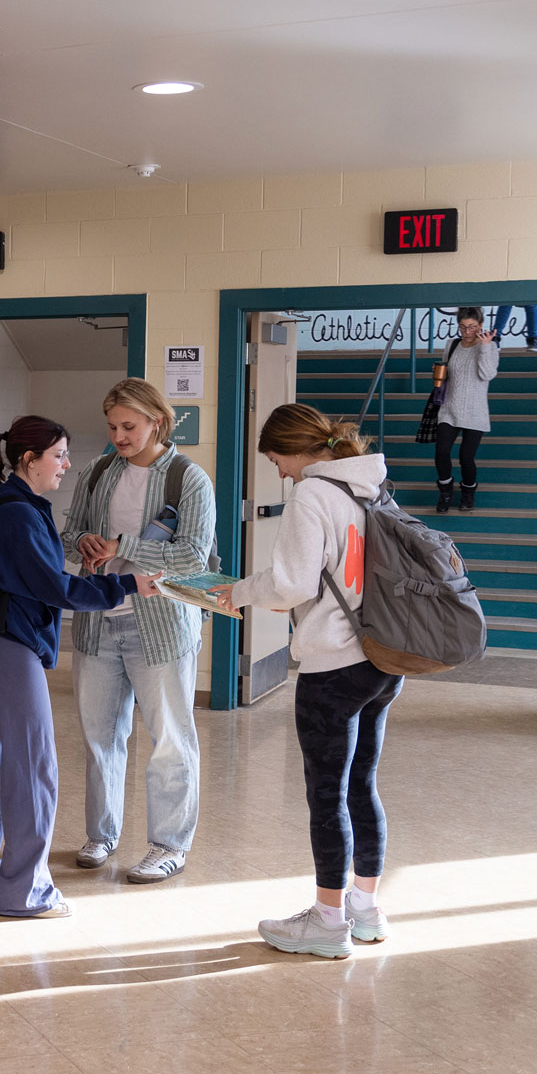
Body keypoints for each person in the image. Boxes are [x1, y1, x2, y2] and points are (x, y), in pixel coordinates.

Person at [215, 404, 397, 960]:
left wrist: (238, 592)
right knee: (362, 784)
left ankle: (326, 920)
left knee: (327, 795)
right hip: (383, 655)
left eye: (277, 460)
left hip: (332, 665)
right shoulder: (372, 486)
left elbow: (292, 584)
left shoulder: (312, 495)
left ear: (296, 449)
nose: (280, 473)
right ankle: (365, 909)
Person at [0, 415, 140, 919]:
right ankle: (25, 891)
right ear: (29, 460)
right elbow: (54, 589)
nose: (67, 464)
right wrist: (127, 585)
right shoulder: (17, 514)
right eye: (59, 455)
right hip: (11, 645)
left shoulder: (16, 507)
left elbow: (41, 578)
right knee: (35, 767)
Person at [60, 378, 214, 884]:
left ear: (158, 423)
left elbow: (191, 557)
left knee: (170, 739)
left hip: (162, 627)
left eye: (129, 426)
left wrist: (121, 544)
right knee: (100, 736)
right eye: (112, 427)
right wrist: (84, 541)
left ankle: (169, 846)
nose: (119, 436)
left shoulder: (189, 479)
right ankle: (101, 835)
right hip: (98, 624)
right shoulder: (99, 470)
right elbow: (68, 534)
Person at [433, 306, 499, 512]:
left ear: (480, 326)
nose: (467, 332)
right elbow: (448, 372)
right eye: (463, 327)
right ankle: (445, 492)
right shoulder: (452, 345)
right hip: (449, 407)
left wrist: (486, 347)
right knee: (441, 451)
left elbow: (487, 374)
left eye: (472, 327)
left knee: (466, 457)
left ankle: (468, 493)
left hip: (475, 410)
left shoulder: (489, 347)